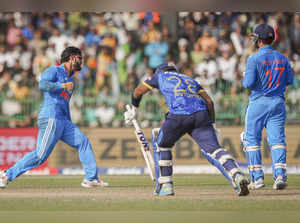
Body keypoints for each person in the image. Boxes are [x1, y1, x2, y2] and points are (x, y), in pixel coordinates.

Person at [124, 62, 250, 196]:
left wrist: (134, 109)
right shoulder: (189, 79)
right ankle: (237, 174)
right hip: (201, 115)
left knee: (161, 144)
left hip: (179, 115)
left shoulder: (159, 76)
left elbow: (138, 91)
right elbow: (209, 101)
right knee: (214, 149)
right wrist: (212, 125)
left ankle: (166, 185)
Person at [0, 46, 109, 188]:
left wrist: (69, 122)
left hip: (63, 120)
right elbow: (42, 85)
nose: (81, 62)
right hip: (51, 117)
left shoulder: (72, 81)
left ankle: (91, 178)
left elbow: (65, 104)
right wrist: (62, 85)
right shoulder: (54, 70)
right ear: (71, 58)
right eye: (79, 58)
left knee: (83, 141)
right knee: (40, 155)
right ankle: (6, 175)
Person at [241, 24, 294, 190]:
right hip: (278, 103)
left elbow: (247, 84)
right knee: (277, 140)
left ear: (259, 41)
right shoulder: (283, 58)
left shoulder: (253, 59)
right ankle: (280, 177)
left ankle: (257, 179)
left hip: (258, 102)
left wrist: (245, 77)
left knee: (251, 140)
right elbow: (290, 81)